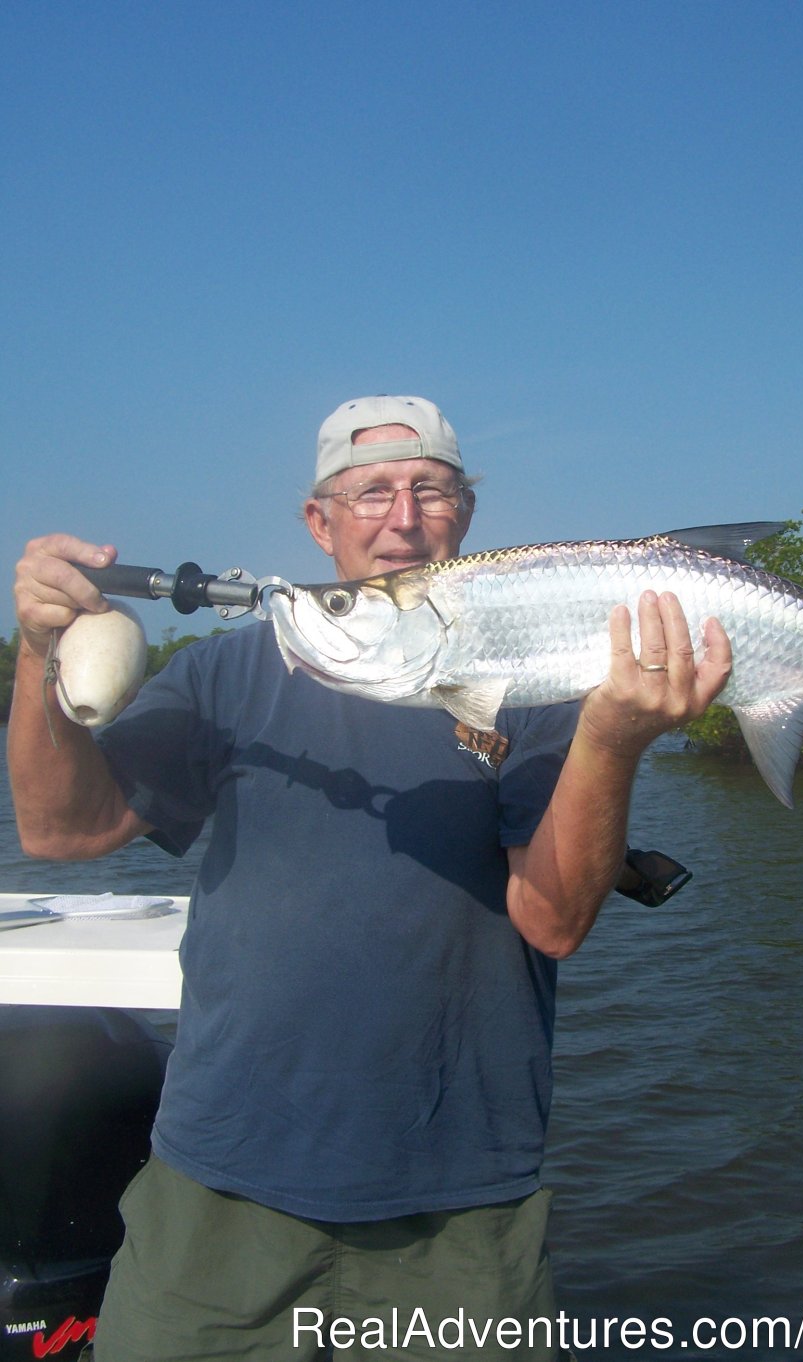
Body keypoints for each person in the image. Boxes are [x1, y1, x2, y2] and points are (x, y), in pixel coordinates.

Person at [9, 395, 731, 1361]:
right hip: (218, 1186)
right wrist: (40, 653)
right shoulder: (232, 672)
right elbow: (65, 828)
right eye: (371, 493)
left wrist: (612, 733)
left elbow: (554, 922)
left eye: (430, 490)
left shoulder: (548, 685)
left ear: (465, 514)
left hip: (456, 1203)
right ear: (320, 523)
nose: (403, 517)